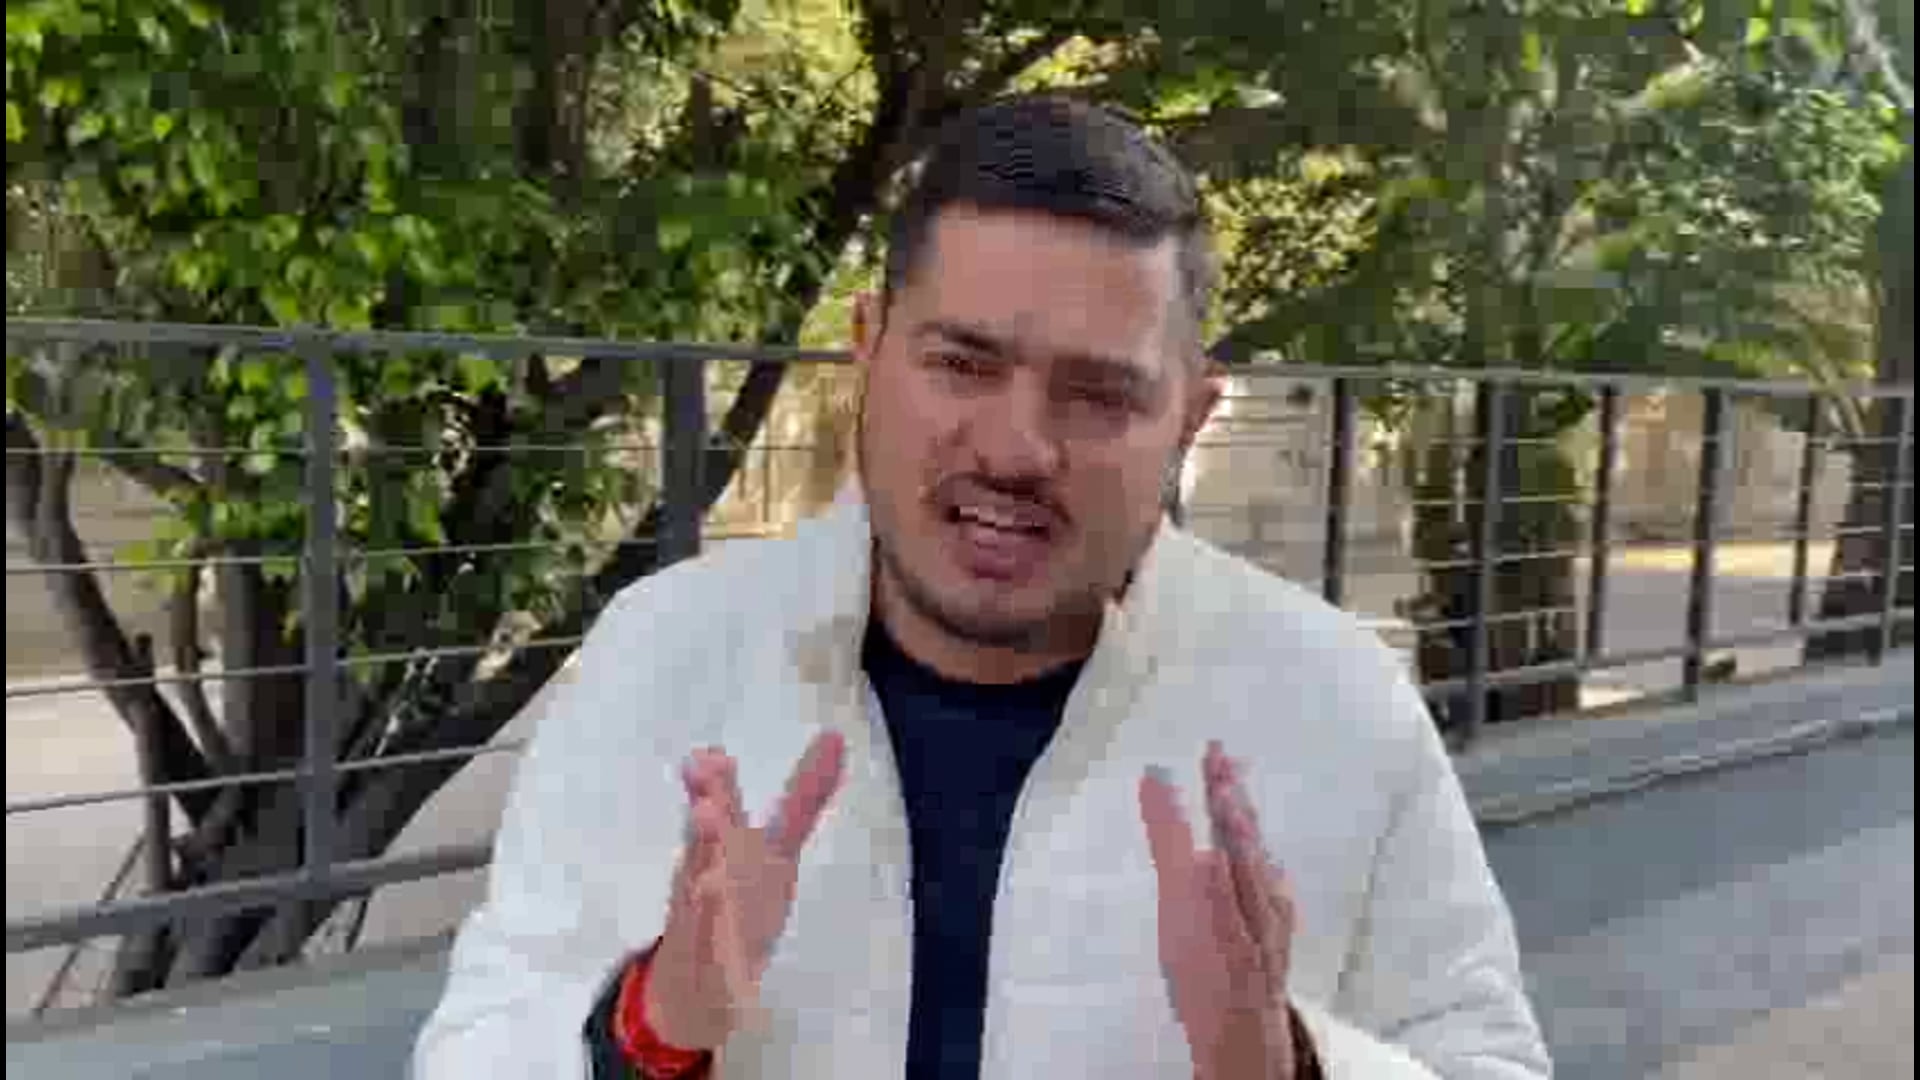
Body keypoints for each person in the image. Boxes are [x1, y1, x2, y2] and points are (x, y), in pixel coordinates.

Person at [413, 95, 1551, 1080]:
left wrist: (1289, 1064)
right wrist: (652, 1029)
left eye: (1098, 394)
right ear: (868, 348)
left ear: (1189, 417)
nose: (1014, 448)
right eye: (962, 364)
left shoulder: (1333, 703)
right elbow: (480, 1043)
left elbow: (1485, 1057)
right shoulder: (667, 655)